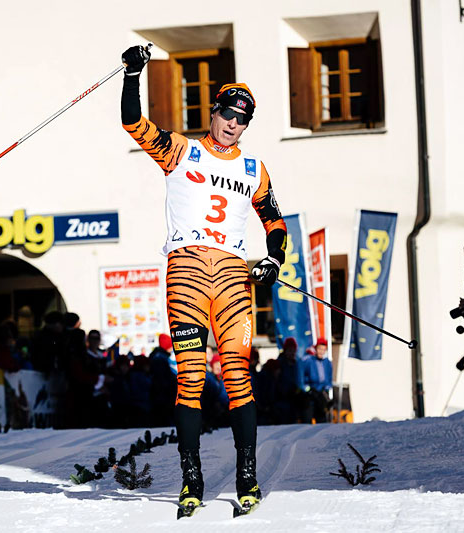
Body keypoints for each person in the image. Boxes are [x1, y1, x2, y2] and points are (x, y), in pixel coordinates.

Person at [120, 45, 288, 513]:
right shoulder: (182, 151)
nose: (234, 124)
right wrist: (134, 73)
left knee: (238, 376)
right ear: (213, 111)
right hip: (188, 272)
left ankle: (246, 477)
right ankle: (191, 478)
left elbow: (275, 222)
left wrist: (273, 260)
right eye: (228, 114)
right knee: (190, 377)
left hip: (234, 277)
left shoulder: (254, 169)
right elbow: (134, 123)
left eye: (243, 120)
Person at [304, 338, 333, 423]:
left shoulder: (327, 362)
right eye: (319, 349)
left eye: (323, 349)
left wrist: (328, 387)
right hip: (311, 392)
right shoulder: (309, 361)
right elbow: (304, 375)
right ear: (316, 349)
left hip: (322, 392)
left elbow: (329, 376)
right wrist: (307, 387)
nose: (321, 351)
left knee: (322, 417)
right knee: (308, 417)